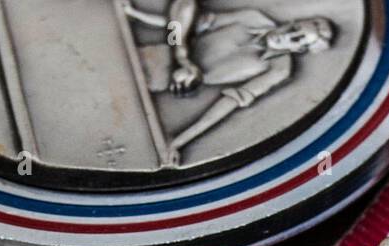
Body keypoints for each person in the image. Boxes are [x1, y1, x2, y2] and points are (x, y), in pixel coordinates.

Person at [123, 0, 334, 165]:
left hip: (150, 86)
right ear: (290, 22)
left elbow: (229, 104)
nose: (288, 35)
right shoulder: (251, 18)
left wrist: (177, 143)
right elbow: (179, 21)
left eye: (297, 39)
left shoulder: (279, 69)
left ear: (299, 50)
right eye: (294, 28)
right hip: (146, 54)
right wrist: (136, 16)